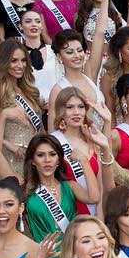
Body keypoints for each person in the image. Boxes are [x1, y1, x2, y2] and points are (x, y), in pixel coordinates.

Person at [0, 39, 46, 180]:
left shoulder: (28, 91)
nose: (20, 65)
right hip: (10, 160)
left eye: (23, 60)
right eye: (14, 61)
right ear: (3, 62)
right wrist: (5, 143)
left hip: (34, 159)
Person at [50, 87, 112, 216]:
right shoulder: (53, 142)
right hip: (67, 214)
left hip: (93, 214)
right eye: (70, 107)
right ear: (61, 111)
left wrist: (100, 221)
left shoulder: (92, 140)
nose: (76, 112)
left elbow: (102, 186)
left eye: (81, 107)